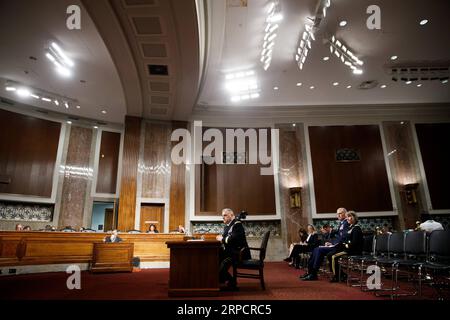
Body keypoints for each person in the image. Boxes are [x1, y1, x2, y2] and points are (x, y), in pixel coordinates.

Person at [301, 207, 349, 281]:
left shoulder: (346, 223)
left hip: (340, 247)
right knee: (316, 249)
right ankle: (310, 272)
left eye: (340, 213)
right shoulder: (342, 223)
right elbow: (339, 236)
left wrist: (332, 243)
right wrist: (331, 242)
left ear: (345, 214)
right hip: (336, 245)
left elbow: (343, 238)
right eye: (337, 214)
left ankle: (313, 273)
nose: (338, 215)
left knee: (319, 250)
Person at [216, 208, 250, 291]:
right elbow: (226, 237)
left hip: (239, 253)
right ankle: (220, 280)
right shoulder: (229, 225)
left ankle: (232, 282)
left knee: (222, 264)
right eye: (222, 216)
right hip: (232, 252)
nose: (223, 217)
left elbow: (233, 239)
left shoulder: (237, 224)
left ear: (231, 215)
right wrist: (222, 238)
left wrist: (222, 239)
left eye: (225, 215)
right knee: (215, 259)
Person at [329, 211, 363, 282]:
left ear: (353, 218)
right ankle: (341, 274)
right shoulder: (351, 227)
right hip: (348, 248)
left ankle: (337, 276)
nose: (347, 218)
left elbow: (354, 243)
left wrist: (345, 244)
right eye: (347, 217)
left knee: (333, 256)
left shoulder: (356, 228)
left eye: (349, 216)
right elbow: (346, 239)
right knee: (330, 254)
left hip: (353, 250)